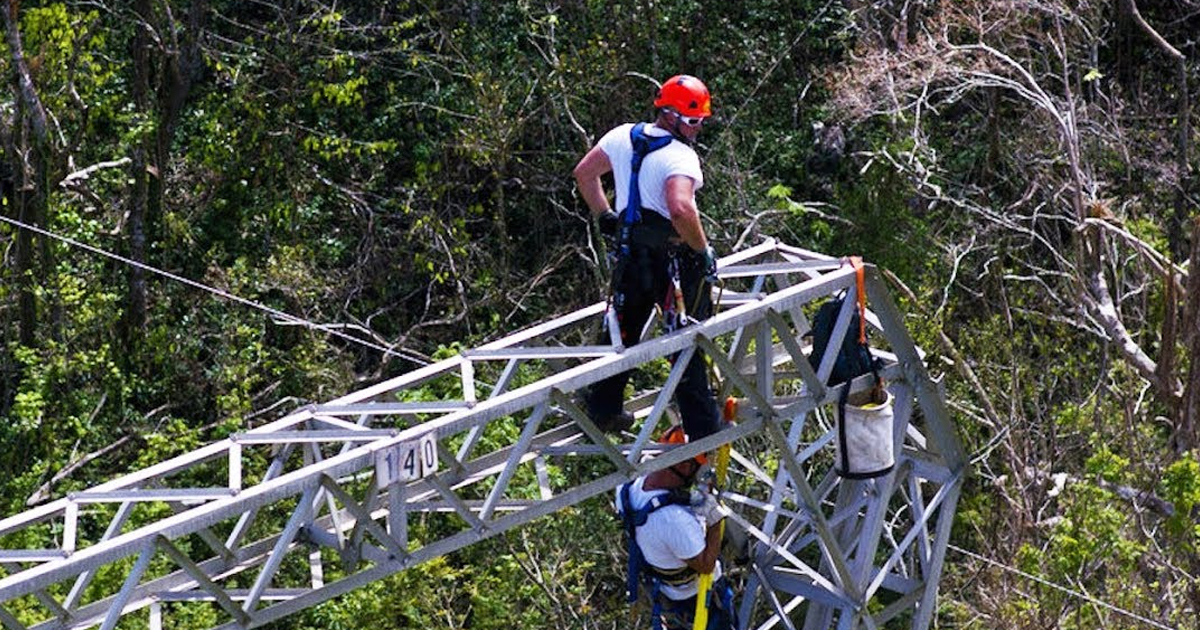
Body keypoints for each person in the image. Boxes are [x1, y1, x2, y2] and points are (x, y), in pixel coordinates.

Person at [574, 74, 722, 440]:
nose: (697, 129)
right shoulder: (679, 156)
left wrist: (605, 215)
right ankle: (702, 427)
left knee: (623, 334)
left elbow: (585, 173)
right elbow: (681, 209)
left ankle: (603, 409)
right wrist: (702, 251)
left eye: (700, 122)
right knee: (684, 339)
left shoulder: (623, 135)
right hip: (670, 263)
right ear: (669, 115)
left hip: (630, 255)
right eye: (692, 121)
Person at [616, 426, 738, 630]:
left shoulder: (628, 486)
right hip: (696, 597)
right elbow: (706, 565)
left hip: (664, 590)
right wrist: (715, 521)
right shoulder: (673, 521)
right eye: (698, 467)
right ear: (683, 466)